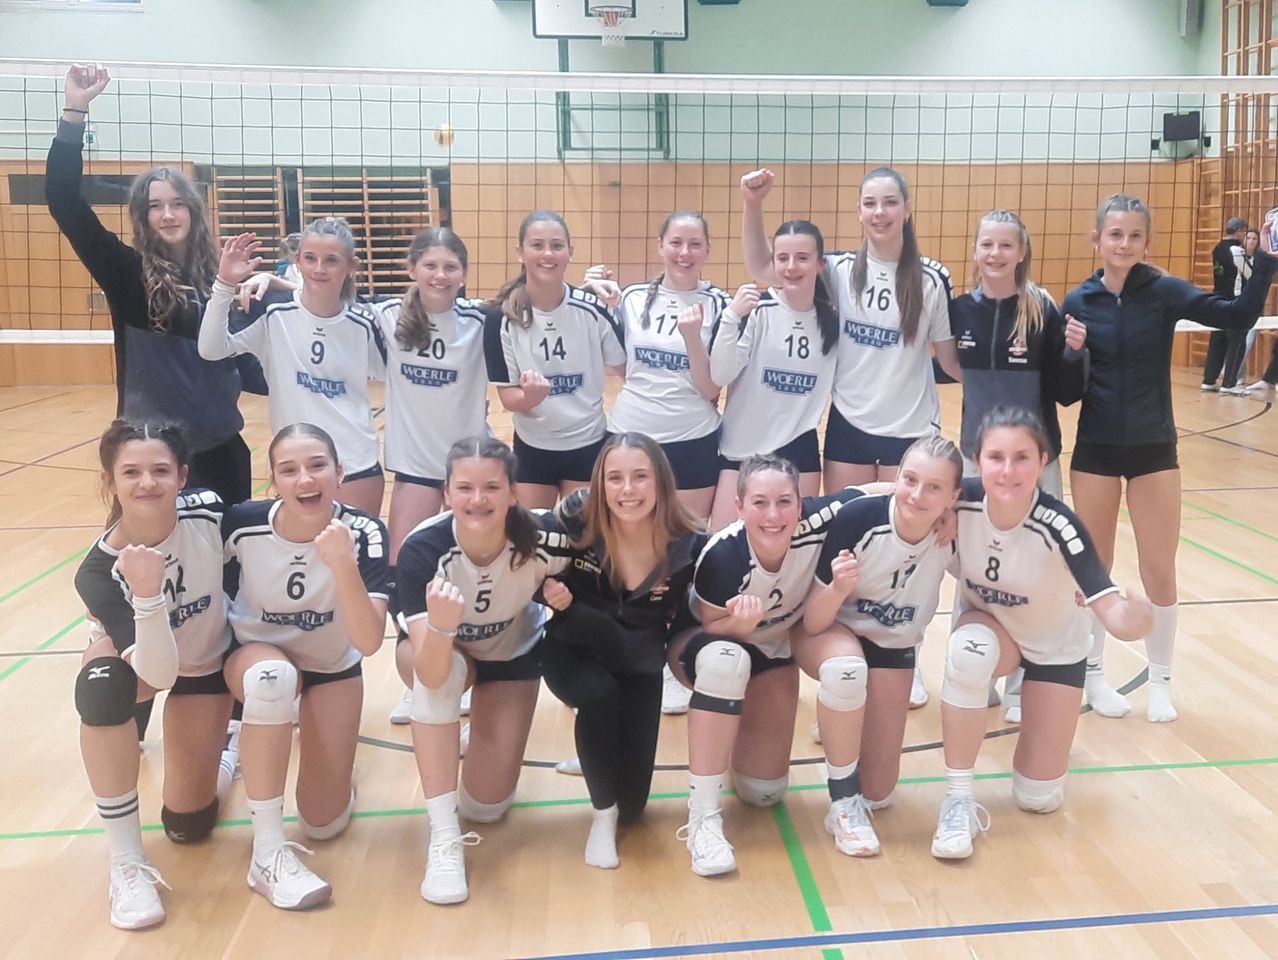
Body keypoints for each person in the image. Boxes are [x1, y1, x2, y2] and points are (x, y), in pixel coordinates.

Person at [741, 166, 962, 708]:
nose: (879, 212)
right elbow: (765, 270)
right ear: (859, 211)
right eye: (869, 203)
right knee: (844, 549)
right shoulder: (837, 269)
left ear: (907, 209)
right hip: (849, 428)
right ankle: (845, 655)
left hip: (911, 432)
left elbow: (953, 360)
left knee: (913, 552)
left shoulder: (931, 279)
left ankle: (904, 655)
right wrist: (753, 205)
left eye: (889, 202)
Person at [1064, 196, 1276, 722]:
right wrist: (1070, 353)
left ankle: (1160, 682)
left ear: (1145, 242)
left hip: (1155, 449)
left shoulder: (1162, 290)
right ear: (1097, 240)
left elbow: (1237, 315)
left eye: (1135, 236)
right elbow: (1065, 391)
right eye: (1115, 235)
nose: (1124, 244)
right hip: (1095, 449)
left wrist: (1267, 260)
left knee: (1160, 567)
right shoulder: (1078, 301)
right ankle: (1092, 676)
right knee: (1096, 570)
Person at [931, 408, 1153, 861]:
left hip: (1054, 649)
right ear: (977, 460)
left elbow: (1109, 608)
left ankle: (1044, 756)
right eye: (995, 457)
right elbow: (897, 500)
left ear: (1043, 460)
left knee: (1038, 798)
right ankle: (957, 800)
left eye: (1021, 457)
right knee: (968, 653)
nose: (1007, 470)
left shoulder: (1060, 524)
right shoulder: (959, 503)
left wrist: (1137, 620)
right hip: (992, 632)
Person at [48, 64, 256, 505]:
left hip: (222, 449)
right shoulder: (127, 272)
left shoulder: (225, 277)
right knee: (147, 567)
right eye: (155, 206)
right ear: (142, 217)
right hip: (152, 456)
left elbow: (246, 365)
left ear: (194, 212)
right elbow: (63, 202)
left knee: (228, 567)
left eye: (178, 204)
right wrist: (75, 111)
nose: (167, 215)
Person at [395, 437, 574, 904]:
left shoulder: (544, 538)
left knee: (487, 807)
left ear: (513, 492)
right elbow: (430, 674)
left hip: (510, 654)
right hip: (442, 657)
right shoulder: (422, 551)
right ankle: (443, 837)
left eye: (492, 487)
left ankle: (477, 736)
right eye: (466, 488)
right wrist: (440, 625)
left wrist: (563, 596)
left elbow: (596, 571)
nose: (478, 499)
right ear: (447, 493)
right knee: (442, 679)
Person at [668, 455, 865, 877]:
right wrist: (741, 623)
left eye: (784, 502)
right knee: (725, 663)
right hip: (712, 644)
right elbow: (711, 625)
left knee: (763, 792)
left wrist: (940, 511)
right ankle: (702, 817)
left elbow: (870, 494)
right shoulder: (723, 556)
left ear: (801, 503)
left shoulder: (817, 520)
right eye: (759, 503)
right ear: (738, 506)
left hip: (774, 650)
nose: (773, 515)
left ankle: (745, 744)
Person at [73, 421, 234, 929]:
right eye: (132, 472)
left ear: (182, 475)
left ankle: (228, 756)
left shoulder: (210, 513)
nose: (147, 483)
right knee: (102, 689)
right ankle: (126, 862)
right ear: (111, 481)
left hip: (205, 664)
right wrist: (145, 593)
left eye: (161, 470)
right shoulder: (98, 572)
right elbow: (158, 674)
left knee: (188, 824)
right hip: (147, 665)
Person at [221, 423, 389, 910]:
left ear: (339, 472)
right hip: (257, 657)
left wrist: (342, 564)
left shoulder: (363, 531)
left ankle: (334, 766)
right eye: (288, 470)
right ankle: (267, 854)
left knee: (324, 823)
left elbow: (369, 641)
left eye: (317, 465)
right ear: (273, 481)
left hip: (332, 665)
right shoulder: (241, 524)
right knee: (271, 680)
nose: (304, 479)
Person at [540, 433, 706, 869]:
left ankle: (600, 763)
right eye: (615, 478)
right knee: (598, 698)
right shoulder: (574, 516)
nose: (627, 490)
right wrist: (546, 593)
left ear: (661, 482)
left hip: (637, 659)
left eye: (639, 477)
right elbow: (525, 553)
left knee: (635, 808)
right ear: (600, 483)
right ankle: (601, 817)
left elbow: (695, 616)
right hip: (573, 650)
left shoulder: (688, 540)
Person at [949, 209, 1089, 721]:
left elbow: (1066, 393)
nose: (995, 254)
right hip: (974, 457)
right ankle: (972, 668)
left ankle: (1022, 678)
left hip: (1033, 459)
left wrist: (1075, 352)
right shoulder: (959, 309)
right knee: (971, 565)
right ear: (976, 250)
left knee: (1032, 565)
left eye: (1006, 246)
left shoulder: (1040, 311)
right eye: (987, 244)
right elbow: (944, 368)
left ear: (1021, 252)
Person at [800, 436, 961, 858]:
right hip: (832, 633)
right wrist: (837, 589)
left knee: (881, 792)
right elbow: (813, 621)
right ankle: (841, 805)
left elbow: (998, 498)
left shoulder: (955, 531)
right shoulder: (860, 519)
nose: (917, 494)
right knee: (846, 672)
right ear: (895, 479)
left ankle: (844, 719)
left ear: (954, 497)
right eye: (909, 480)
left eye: (934, 488)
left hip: (892, 646)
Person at [368, 228, 489, 725]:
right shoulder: (385, 316)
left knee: (472, 569)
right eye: (431, 265)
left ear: (463, 273)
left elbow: (532, 306)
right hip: (416, 468)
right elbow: (325, 297)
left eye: (451, 267)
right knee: (406, 573)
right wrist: (272, 282)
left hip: (468, 470)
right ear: (412, 268)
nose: (441, 276)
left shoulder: (482, 321)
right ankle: (415, 675)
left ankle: (466, 675)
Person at [200, 221, 389, 517]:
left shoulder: (366, 321)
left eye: (331, 260)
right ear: (298, 260)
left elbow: (399, 376)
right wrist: (224, 283)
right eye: (310, 258)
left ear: (352, 266)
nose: (319, 269)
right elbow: (210, 349)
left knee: (351, 559)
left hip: (355, 463)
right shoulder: (274, 313)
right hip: (295, 466)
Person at [483, 210, 626, 510]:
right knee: (533, 541)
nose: (547, 254)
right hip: (534, 448)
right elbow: (509, 397)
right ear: (520, 252)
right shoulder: (501, 317)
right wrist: (531, 397)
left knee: (583, 544)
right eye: (537, 245)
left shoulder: (592, 309)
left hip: (587, 443)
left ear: (570, 253)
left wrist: (617, 305)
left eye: (557, 245)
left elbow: (627, 368)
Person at [709, 219, 839, 529]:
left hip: (799, 451)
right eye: (783, 258)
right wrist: (730, 317)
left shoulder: (833, 323)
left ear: (820, 264)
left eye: (803, 258)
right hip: (741, 448)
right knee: (723, 547)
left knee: (794, 550)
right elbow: (720, 374)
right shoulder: (755, 311)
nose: (792, 266)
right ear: (773, 263)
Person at [603, 212, 727, 521]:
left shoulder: (720, 304)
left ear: (708, 250)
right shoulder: (631, 297)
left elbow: (712, 387)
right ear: (660, 246)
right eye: (676, 243)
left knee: (685, 544)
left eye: (695, 244)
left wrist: (692, 339)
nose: (685, 253)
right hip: (629, 435)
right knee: (625, 537)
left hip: (692, 439)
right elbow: (625, 365)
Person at [1201, 216, 1249, 392]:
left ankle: (1209, 380)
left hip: (1217, 298)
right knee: (1237, 340)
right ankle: (1229, 383)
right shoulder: (1237, 250)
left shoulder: (1217, 248)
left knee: (1217, 340)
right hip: (1234, 300)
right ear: (1240, 231)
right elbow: (1247, 274)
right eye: (1245, 232)